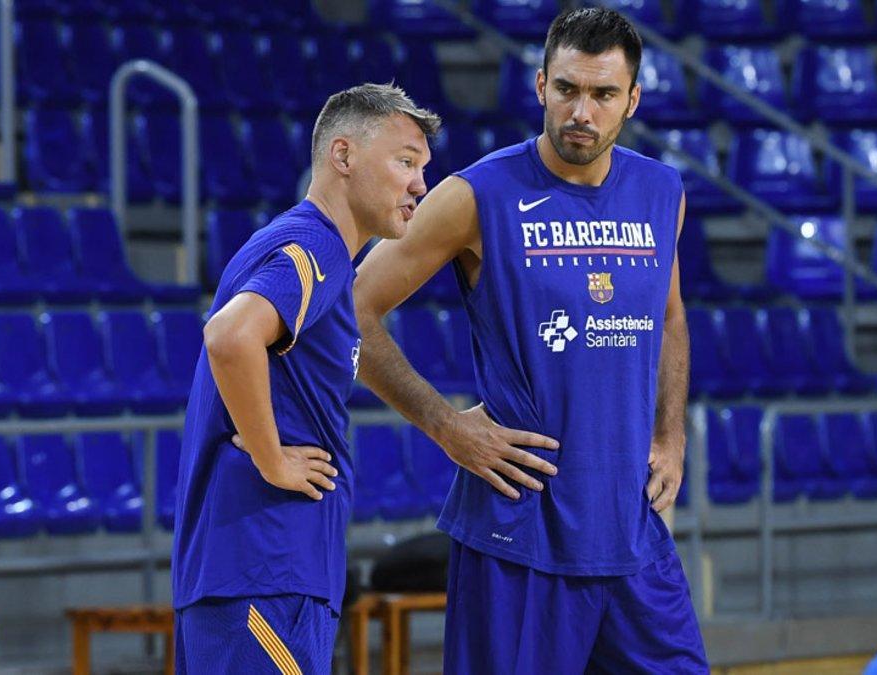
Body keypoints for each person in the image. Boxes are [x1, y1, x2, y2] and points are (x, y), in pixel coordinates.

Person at [353, 8, 708, 673]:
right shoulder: (476, 195)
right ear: (541, 84)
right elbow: (353, 309)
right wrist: (445, 425)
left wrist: (671, 434)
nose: (582, 110)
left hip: (631, 530)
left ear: (632, 100)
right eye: (568, 88)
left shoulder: (662, 192)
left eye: (603, 94)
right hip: (519, 535)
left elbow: (670, 318)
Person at [170, 83, 439, 674]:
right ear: (343, 156)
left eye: (423, 168)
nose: (420, 184)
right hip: (264, 569)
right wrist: (273, 460)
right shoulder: (313, 244)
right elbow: (229, 335)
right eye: (405, 162)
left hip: (256, 573)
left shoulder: (308, 250)